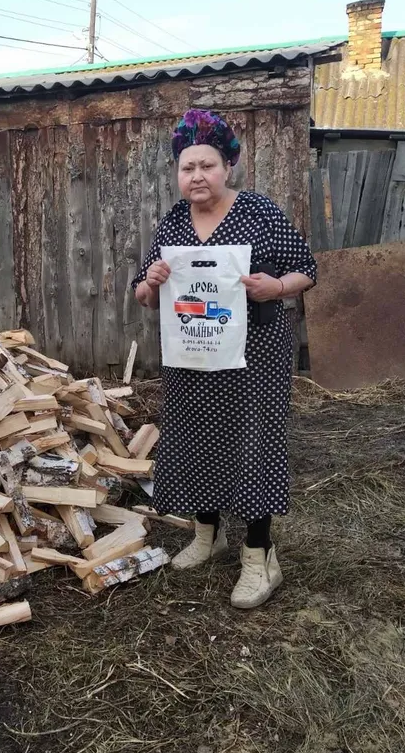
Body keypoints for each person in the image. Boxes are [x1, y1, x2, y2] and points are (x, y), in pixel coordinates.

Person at [132, 110, 317, 609]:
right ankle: (207, 534)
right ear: (178, 173)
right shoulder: (174, 221)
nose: (197, 175)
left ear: (227, 167)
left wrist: (276, 286)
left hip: (255, 356)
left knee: (252, 444)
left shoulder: (258, 211)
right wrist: (151, 282)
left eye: (207, 165)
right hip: (193, 354)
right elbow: (144, 294)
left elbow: (306, 269)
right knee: (196, 439)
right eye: (187, 166)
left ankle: (259, 556)